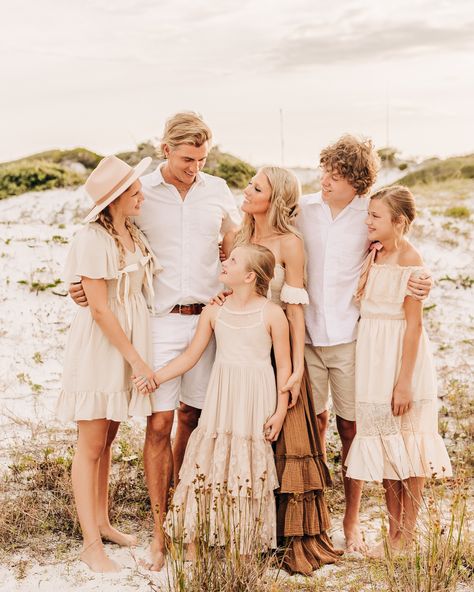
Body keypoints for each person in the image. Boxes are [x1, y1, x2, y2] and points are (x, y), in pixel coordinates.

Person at [69, 112, 241, 570]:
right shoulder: (142, 195)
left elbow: (236, 245)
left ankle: (186, 520)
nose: (195, 168)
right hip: (157, 324)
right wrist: (78, 285)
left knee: (196, 418)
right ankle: (159, 533)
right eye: (187, 158)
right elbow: (105, 242)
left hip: (209, 320)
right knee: (158, 425)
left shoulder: (218, 191)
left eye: (202, 159)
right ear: (165, 149)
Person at [297, 135, 433, 553]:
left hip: (353, 338)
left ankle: (351, 523)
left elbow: (402, 249)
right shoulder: (302, 209)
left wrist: (425, 280)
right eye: (324, 171)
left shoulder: (369, 215)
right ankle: (313, 519)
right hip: (306, 334)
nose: (325, 180)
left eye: (335, 176)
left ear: (357, 181)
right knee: (312, 428)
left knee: (353, 428)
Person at [219, 167, 342, 574]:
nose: (247, 190)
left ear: (275, 199)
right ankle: (245, 531)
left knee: (286, 439)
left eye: (256, 187)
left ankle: (289, 536)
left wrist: (292, 372)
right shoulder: (240, 236)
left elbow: (294, 307)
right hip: (241, 354)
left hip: (280, 353)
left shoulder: (290, 243)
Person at [135, 244, 291, 552]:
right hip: (222, 392)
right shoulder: (214, 311)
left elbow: (284, 366)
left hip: (255, 397)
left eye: (233, 261)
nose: (225, 261)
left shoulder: (272, 314)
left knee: (246, 466)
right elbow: (191, 356)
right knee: (210, 460)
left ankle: (243, 543)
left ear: (249, 276)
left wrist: (281, 411)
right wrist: (156, 377)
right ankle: (197, 536)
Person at [57, 155, 161, 573]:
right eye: (134, 190)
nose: (142, 194)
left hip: (127, 341)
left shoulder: (132, 230)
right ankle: (89, 545)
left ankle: (102, 521)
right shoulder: (93, 239)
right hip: (103, 347)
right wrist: (137, 361)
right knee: (91, 443)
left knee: (110, 437)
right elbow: (99, 310)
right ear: (115, 198)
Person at [345, 185, 452, 556]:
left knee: (411, 443)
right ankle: (393, 535)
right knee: (388, 444)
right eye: (368, 213)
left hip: (402, 358)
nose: (368, 221)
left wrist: (404, 382)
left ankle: (407, 535)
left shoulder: (410, 259)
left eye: (376, 216)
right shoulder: (372, 253)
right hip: (373, 357)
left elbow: (414, 325)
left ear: (399, 222)